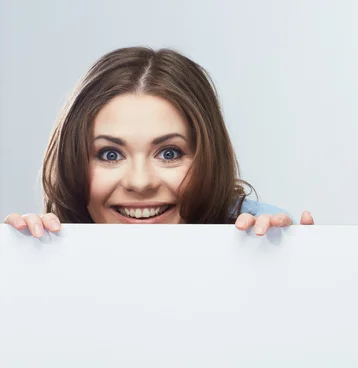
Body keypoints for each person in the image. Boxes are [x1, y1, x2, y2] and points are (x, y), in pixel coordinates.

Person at [3, 46, 314, 238]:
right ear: (73, 163)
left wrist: (296, 273)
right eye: (110, 154)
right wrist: (27, 266)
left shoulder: (259, 230)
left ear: (209, 157)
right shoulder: (44, 249)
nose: (140, 183)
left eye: (169, 152)